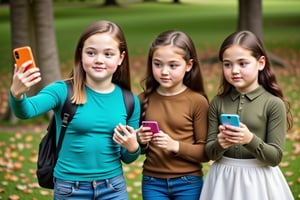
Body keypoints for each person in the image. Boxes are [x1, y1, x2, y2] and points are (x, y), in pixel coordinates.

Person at [10, 20, 141, 200]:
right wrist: (17, 94)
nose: (99, 60)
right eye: (91, 52)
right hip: (70, 188)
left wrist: (133, 147)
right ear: (81, 55)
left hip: (113, 188)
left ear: (121, 58)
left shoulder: (129, 101)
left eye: (108, 54)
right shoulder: (62, 91)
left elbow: (127, 157)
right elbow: (26, 111)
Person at [199, 30, 294, 200]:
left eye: (243, 63)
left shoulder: (273, 104)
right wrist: (220, 143)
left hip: (259, 181)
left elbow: (275, 158)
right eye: (227, 64)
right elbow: (210, 154)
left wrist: (249, 139)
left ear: (261, 63)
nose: (234, 70)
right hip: (223, 179)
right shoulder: (217, 103)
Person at [137, 30, 209, 200]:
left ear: (189, 65)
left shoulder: (197, 101)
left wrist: (175, 145)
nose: (164, 71)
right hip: (152, 182)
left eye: (173, 65)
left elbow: (206, 152)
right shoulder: (142, 100)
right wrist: (140, 140)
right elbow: (137, 151)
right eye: (158, 64)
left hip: (188, 182)